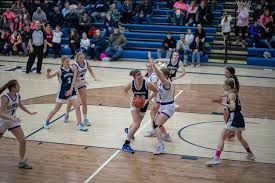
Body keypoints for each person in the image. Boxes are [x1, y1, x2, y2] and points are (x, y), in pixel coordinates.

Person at [207, 78, 255, 166]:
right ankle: (250, 154)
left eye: (224, 85)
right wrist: (220, 99)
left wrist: (221, 103)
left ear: (228, 86)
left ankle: (216, 158)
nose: (222, 86)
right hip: (239, 117)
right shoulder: (233, 93)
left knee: (222, 138)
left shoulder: (231, 95)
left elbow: (232, 107)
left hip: (234, 117)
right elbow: (227, 96)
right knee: (239, 137)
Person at [43, 56, 87, 131]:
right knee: (56, 109)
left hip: (71, 91)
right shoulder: (59, 71)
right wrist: (47, 72)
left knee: (77, 107)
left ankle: (79, 124)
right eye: (66, 61)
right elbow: (49, 77)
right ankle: (46, 121)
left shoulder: (71, 69)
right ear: (63, 62)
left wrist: (81, 81)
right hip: (62, 92)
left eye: (69, 61)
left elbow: (75, 77)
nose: (68, 63)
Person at [0, 80, 37, 169]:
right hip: (2, 121)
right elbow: (1, 114)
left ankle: (22, 161)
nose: (20, 87)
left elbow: (20, 105)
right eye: (18, 86)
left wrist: (30, 113)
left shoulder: (17, 96)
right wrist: (12, 118)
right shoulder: (5, 97)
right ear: (13, 88)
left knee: (23, 141)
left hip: (12, 121)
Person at [121, 69, 157, 153]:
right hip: (135, 104)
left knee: (136, 123)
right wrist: (130, 100)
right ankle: (126, 144)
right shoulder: (131, 83)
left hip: (144, 105)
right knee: (137, 123)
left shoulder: (147, 83)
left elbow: (156, 91)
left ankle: (129, 130)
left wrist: (147, 101)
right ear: (134, 77)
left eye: (140, 74)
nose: (140, 76)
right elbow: (124, 90)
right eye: (138, 75)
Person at [149, 57, 176, 155]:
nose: (158, 74)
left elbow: (159, 75)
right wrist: (155, 105)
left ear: (166, 76)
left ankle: (161, 146)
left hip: (168, 107)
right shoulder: (161, 83)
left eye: (161, 73)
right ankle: (166, 136)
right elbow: (158, 94)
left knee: (156, 124)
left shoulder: (167, 83)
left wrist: (153, 64)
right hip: (163, 106)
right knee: (156, 123)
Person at [64, 52, 97, 126]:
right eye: (80, 58)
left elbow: (91, 70)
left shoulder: (86, 63)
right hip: (74, 84)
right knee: (70, 102)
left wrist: (94, 77)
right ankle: (67, 114)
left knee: (84, 101)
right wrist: (82, 80)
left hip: (82, 83)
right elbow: (74, 76)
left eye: (83, 58)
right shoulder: (74, 65)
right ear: (77, 58)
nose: (82, 59)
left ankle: (85, 118)